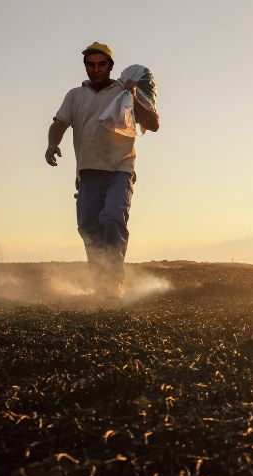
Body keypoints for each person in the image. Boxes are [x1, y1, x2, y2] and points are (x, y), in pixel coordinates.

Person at [45, 42, 159, 298]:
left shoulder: (125, 90)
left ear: (110, 66)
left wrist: (134, 94)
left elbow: (153, 124)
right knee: (87, 226)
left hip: (120, 168)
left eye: (101, 64)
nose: (96, 69)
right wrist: (52, 143)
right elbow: (59, 123)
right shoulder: (74, 95)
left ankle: (114, 282)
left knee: (113, 217)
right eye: (91, 65)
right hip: (88, 171)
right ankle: (100, 279)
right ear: (85, 66)